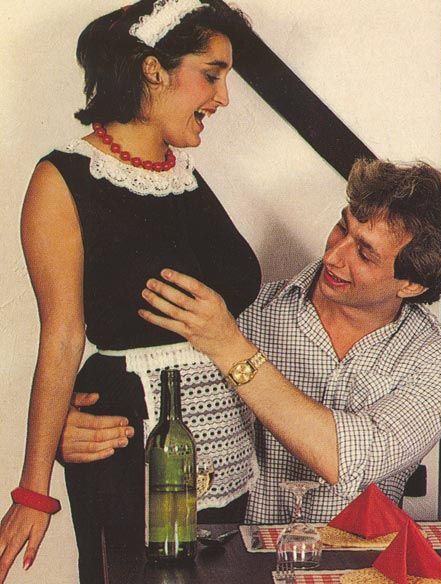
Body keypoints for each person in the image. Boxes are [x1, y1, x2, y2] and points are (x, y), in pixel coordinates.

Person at [63, 157, 441, 522]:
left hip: (353, 570)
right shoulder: (242, 311)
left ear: (411, 285)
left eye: (365, 253)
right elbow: (149, 394)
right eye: (342, 227)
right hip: (230, 565)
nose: (333, 255)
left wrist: (229, 346)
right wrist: (73, 429)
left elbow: (347, 459)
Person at [0, 2, 261, 583]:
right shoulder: (64, 178)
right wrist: (33, 492)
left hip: (225, 447)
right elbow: (62, 336)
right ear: (152, 70)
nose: (223, 98)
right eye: (212, 75)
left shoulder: (183, 177)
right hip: (128, 436)